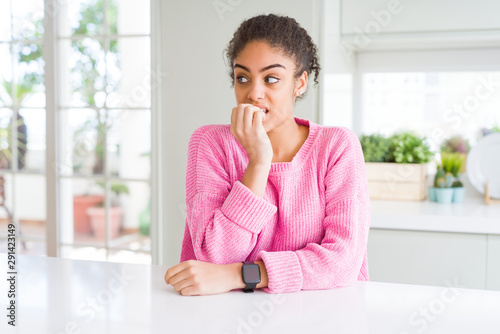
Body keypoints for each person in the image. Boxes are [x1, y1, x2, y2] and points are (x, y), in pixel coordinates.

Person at [164, 14, 370, 296]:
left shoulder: (336, 146)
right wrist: (259, 162)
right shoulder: (209, 143)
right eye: (243, 78)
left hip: (320, 315)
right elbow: (214, 257)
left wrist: (242, 274)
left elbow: (342, 262)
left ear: (299, 83)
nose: (253, 93)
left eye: (271, 79)